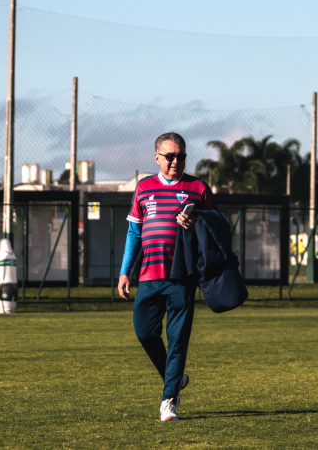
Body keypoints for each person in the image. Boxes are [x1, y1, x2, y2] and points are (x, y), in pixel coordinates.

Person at [118, 132, 215, 422]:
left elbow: (216, 228)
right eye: (170, 156)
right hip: (149, 275)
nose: (176, 161)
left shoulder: (198, 188)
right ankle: (174, 378)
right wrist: (125, 271)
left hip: (182, 277)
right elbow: (134, 232)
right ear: (157, 157)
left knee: (177, 340)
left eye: (181, 156)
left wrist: (196, 220)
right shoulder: (144, 188)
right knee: (145, 332)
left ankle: (168, 401)